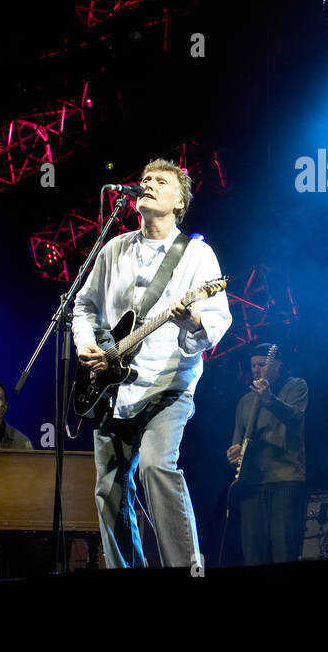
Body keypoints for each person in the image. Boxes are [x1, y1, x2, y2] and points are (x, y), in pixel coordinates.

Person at [73, 159, 232, 568]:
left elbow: (216, 320)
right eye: (144, 179)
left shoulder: (197, 255)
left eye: (161, 181)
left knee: (156, 467)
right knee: (108, 490)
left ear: (180, 201)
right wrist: (86, 343)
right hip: (113, 386)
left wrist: (191, 318)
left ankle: (186, 569)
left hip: (168, 385)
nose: (147, 184)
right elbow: (85, 305)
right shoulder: (113, 248)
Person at [226, 343, 308, 564]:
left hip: (285, 478)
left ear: (277, 365)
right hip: (252, 483)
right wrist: (233, 454)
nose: (256, 369)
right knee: (253, 553)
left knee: (284, 550)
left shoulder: (296, 386)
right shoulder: (244, 401)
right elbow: (237, 441)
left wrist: (269, 399)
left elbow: (295, 417)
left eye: (262, 364)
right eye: (253, 365)